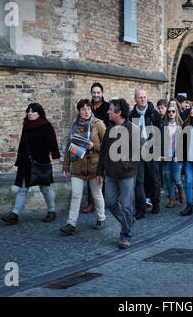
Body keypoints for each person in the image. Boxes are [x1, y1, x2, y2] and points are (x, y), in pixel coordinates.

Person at [2, 103, 61, 225]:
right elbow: (22, 145)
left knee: (44, 188)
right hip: (26, 163)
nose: (29, 113)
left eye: (33, 111)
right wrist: (20, 159)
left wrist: (38, 157)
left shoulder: (46, 126)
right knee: (23, 189)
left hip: (40, 163)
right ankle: (15, 214)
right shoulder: (26, 126)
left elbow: (49, 145)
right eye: (28, 111)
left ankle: (52, 211)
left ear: (39, 113)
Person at [96, 98, 141, 249]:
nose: (107, 112)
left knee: (127, 206)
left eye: (110, 109)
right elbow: (103, 152)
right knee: (110, 202)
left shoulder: (132, 129)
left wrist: (125, 165)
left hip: (127, 174)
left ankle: (125, 235)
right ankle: (127, 221)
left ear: (118, 112)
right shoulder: (109, 128)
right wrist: (99, 172)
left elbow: (137, 153)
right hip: (111, 174)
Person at [59, 99, 106, 235]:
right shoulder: (75, 125)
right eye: (83, 109)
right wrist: (65, 167)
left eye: (88, 109)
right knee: (76, 195)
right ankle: (71, 224)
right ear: (79, 111)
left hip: (94, 168)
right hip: (78, 167)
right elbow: (69, 147)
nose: (86, 111)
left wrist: (94, 146)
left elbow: (108, 145)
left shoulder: (99, 124)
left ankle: (101, 218)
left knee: (97, 195)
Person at [129, 89, 163, 219]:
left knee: (154, 179)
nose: (143, 99)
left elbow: (160, 132)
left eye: (144, 97)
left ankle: (156, 203)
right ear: (135, 99)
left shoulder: (154, 114)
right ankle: (140, 209)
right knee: (139, 181)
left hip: (152, 151)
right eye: (140, 97)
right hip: (138, 152)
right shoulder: (132, 115)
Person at [82, 82, 110, 214]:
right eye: (94, 92)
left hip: (104, 144)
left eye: (98, 92)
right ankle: (91, 203)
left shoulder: (107, 107)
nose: (96, 95)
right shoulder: (88, 107)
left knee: (103, 175)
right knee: (91, 174)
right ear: (91, 93)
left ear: (102, 93)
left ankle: (104, 202)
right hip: (90, 146)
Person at [162, 102, 185, 208]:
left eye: (173, 111)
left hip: (177, 154)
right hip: (167, 154)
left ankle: (181, 190)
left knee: (176, 177)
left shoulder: (181, 124)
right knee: (168, 177)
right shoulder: (164, 124)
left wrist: (178, 155)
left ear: (176, 112)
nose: (171, 113)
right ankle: (172, 199)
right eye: (169, 111)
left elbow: (183, 142)